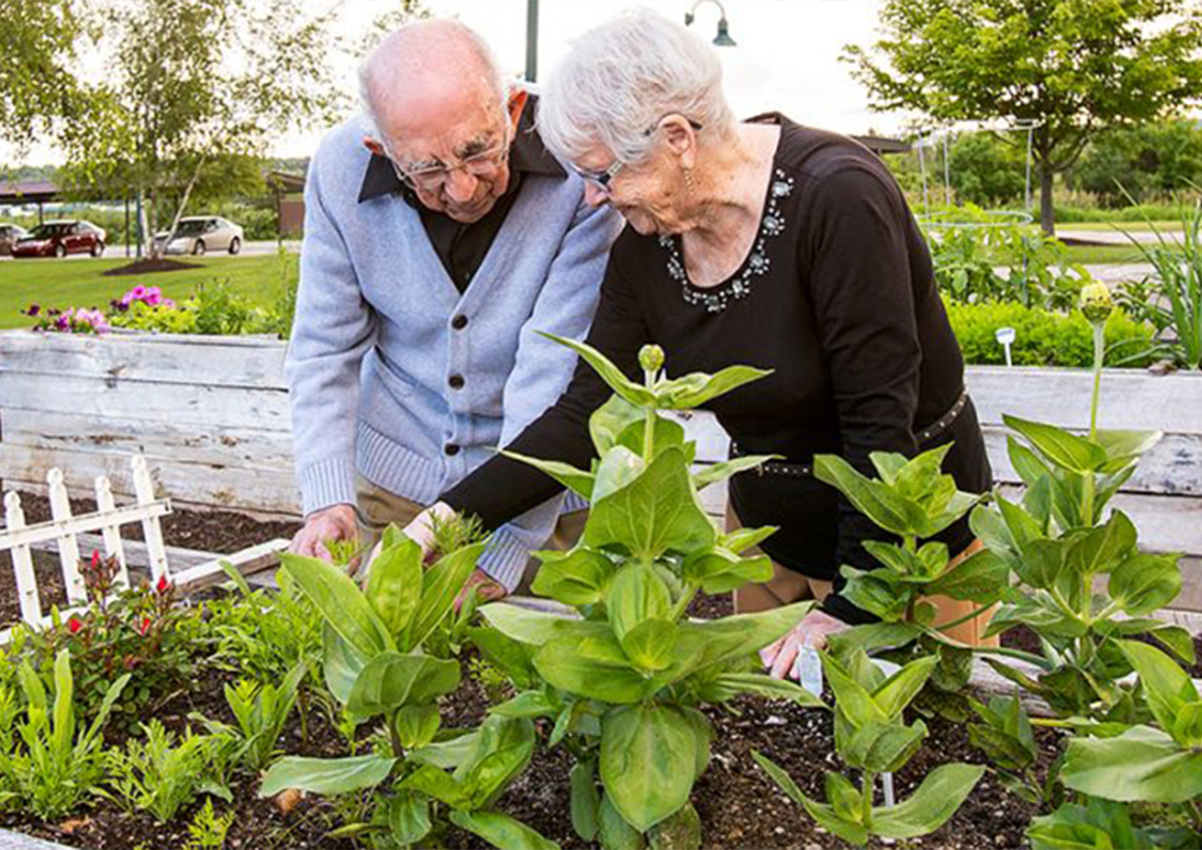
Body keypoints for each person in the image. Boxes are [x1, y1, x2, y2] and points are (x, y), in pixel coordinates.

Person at [403, 9, 995, 678]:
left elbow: (879, 418)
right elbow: (582, 418)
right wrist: (444, 520)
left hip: (908, 545)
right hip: (771, 536)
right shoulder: (646, 247)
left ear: (677, 136)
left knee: (909, 745)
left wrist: (856, 607)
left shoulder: (838, 198)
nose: (595, 200)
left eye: (602, 174)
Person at [286, 19, 621, 603]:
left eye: (478, 152)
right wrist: (327, 500)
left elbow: (551, 373)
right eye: (428, 171)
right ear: (382, 152)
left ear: (512, 108)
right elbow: (323, 347)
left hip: (537, 500)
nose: (463, 189)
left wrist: (506, 546)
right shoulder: (340, 170)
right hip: (395, 481)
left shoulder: (580, 169)